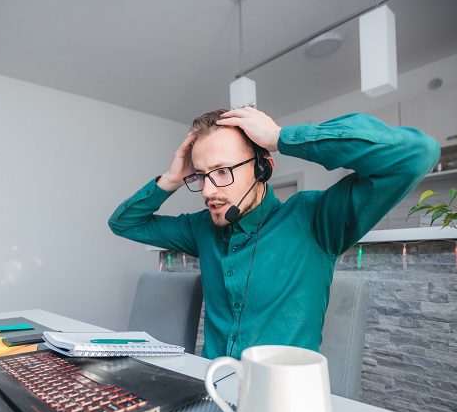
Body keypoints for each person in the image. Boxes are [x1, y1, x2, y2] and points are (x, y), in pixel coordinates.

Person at [108, 106, 439, 359]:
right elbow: (124, 223)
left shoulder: (315, 219)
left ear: (263, 168)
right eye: (201, 176)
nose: (209, 191)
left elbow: (416, 153)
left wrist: (281, 137)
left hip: (283, 404)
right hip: (209, 390)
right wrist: (171, 178)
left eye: (222, 172)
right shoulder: (202, 228)